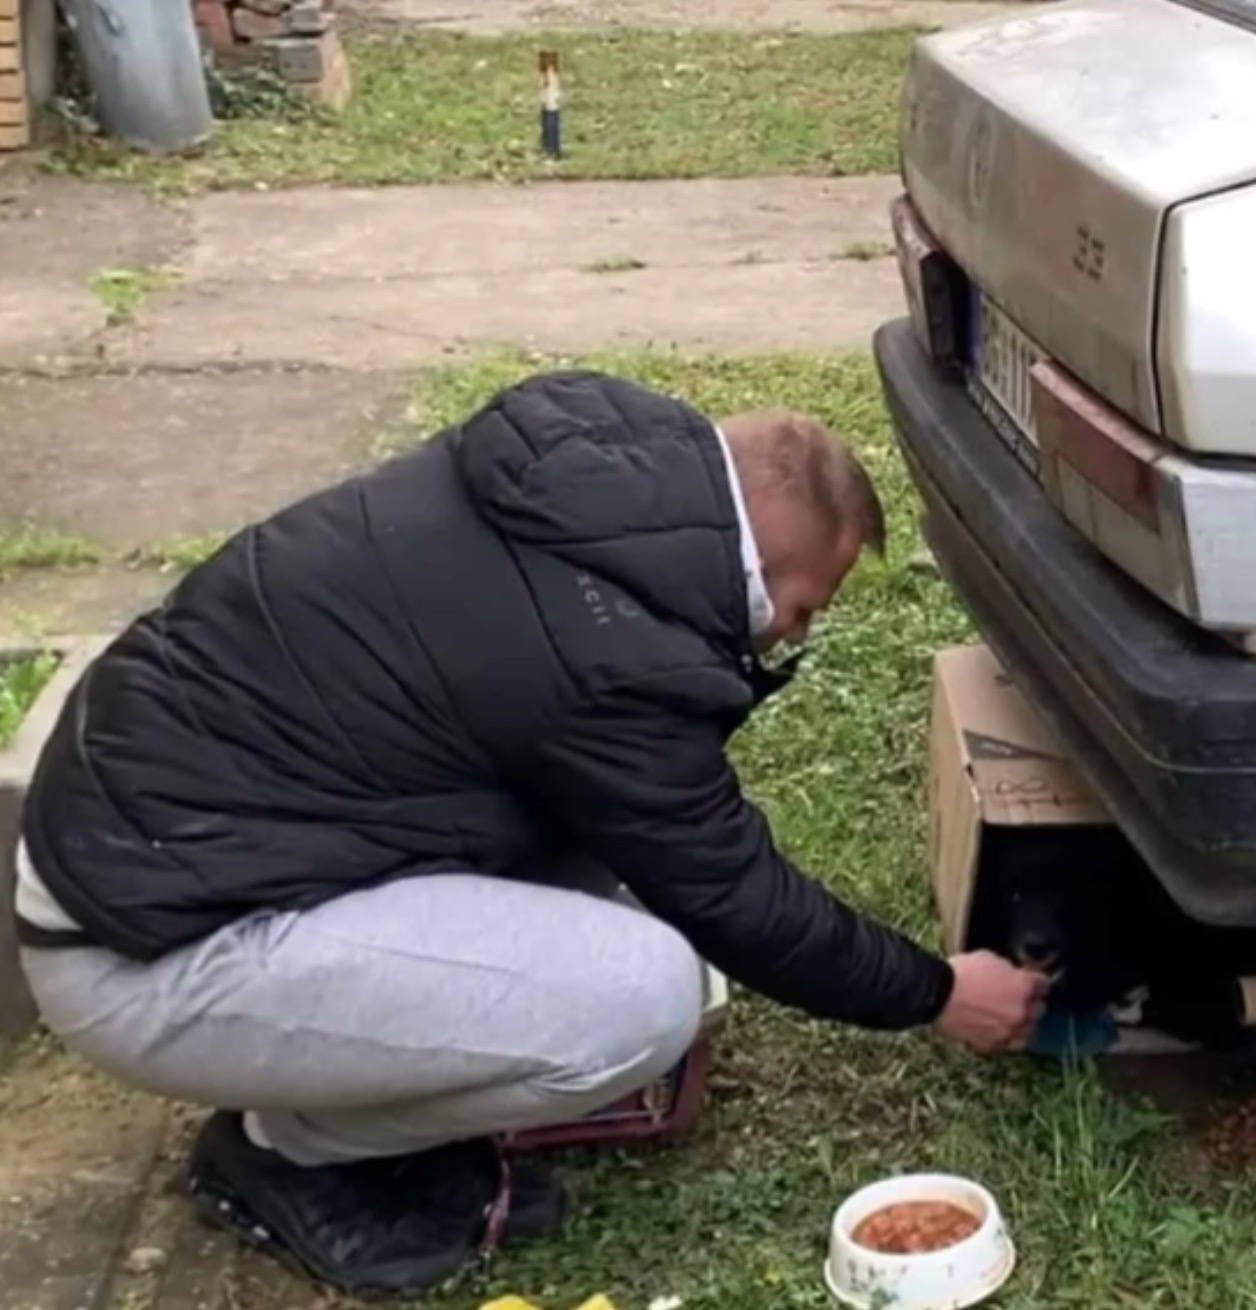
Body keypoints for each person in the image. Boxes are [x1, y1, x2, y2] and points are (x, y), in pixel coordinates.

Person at [12, 369, 1049, 1294]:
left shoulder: (569, 476)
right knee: (641, 993)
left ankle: (322, 1092)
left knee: (596, 873)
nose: (796, 632)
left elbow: (654, 829)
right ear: (757, 565)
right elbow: (736, 897)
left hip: (159, 846)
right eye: (805, 607)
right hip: (143, 949)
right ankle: (285, 1145)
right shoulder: (612, 651)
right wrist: (937, 990)